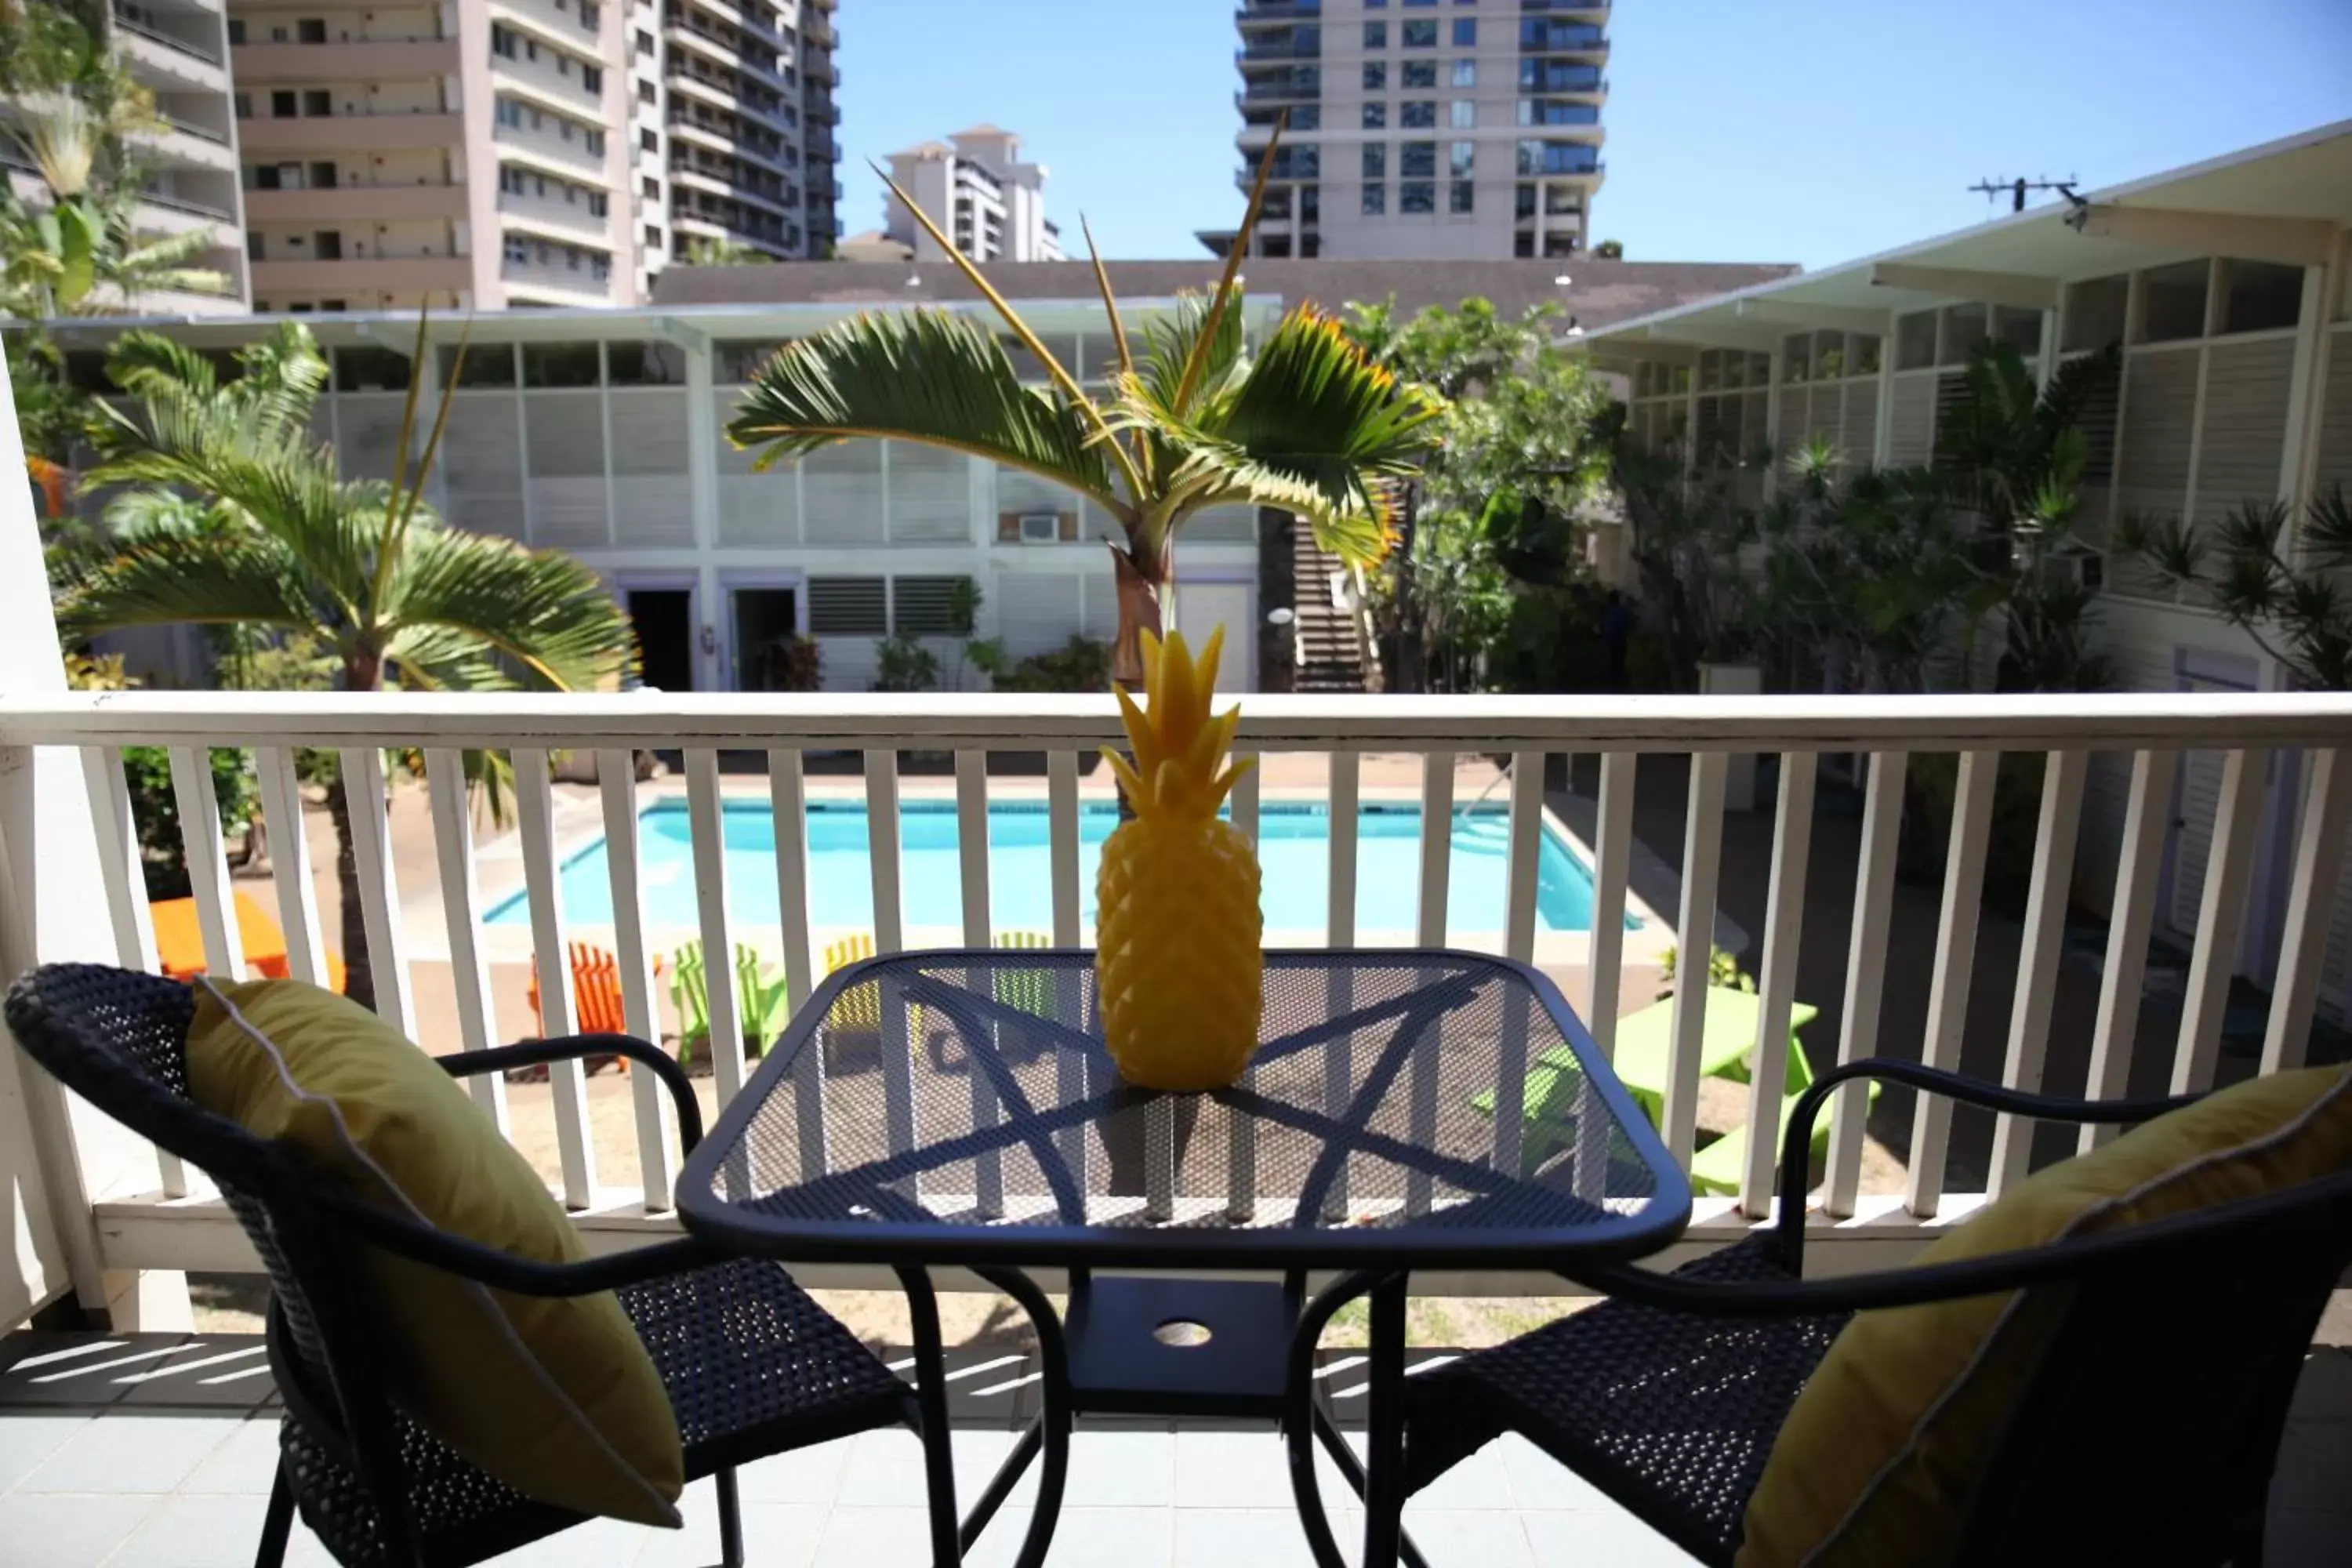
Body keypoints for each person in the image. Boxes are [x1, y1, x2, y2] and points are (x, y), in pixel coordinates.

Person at [1601, 589, 1632, 690]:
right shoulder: (1621, 612)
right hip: (1620, 642)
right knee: (1619, 665)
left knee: (1614, 666)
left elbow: (1609, 628)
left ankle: (1615, 685)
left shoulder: (1610, 613)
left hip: (1614, 643)